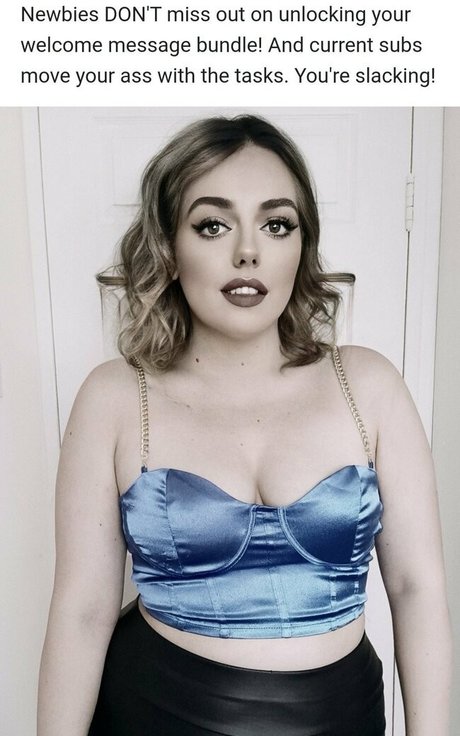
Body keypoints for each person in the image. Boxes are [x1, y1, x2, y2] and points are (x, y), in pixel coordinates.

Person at [37, 115, 451, 736]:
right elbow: (83, 611)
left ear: (301, 246)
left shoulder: (368, 385)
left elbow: (418, 589)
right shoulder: (116, 396)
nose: (248, 252)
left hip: (342, 717)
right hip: (155, 714)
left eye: (276, 224)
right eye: (213, 225)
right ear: (169, 249)